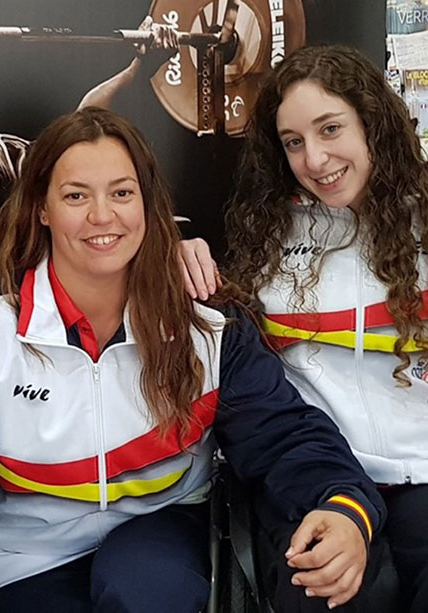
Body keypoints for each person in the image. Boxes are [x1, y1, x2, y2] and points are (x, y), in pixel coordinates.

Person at [0, 107, 385, 613]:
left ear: (148, 204)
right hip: (19, 553)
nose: (102, 216)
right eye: (76, 195)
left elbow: (284, 434)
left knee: (145, 589)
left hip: (159, 528)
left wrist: (340, 504)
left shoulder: (205, 318)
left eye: (122, 193)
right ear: (41, 206)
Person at [178, 44, 428, 612]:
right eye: (294, 142)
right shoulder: (267, 235)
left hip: (422, 476)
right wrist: (174, 255)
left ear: (373, 123)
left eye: (331, 128)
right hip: (312, 482)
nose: (315, 159)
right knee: (339, 596)